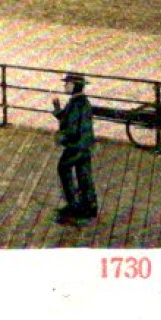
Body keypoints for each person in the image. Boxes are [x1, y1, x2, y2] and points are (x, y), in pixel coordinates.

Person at [51, 72, 98, 224]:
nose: (65, 85)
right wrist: (58, 111)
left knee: (63, 169)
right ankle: (90, 206)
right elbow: (71, 121)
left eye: (68, 83)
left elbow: (71, 129)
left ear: (74, 85)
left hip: (75, 145)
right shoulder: (82, 102)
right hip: (85, 144)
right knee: (83, 173)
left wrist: (61, 136)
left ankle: (74, 206)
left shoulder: (75, 104)